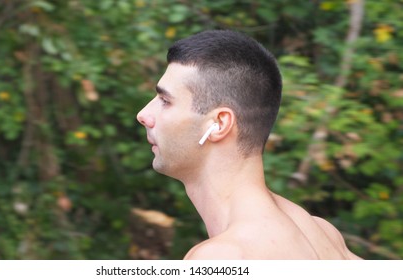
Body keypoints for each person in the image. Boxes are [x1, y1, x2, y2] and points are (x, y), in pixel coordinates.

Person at [136, 30, 362, 259]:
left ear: (219, 124)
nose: (143, 115)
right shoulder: (325, 236)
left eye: (165, 101)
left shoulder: (224, 257)